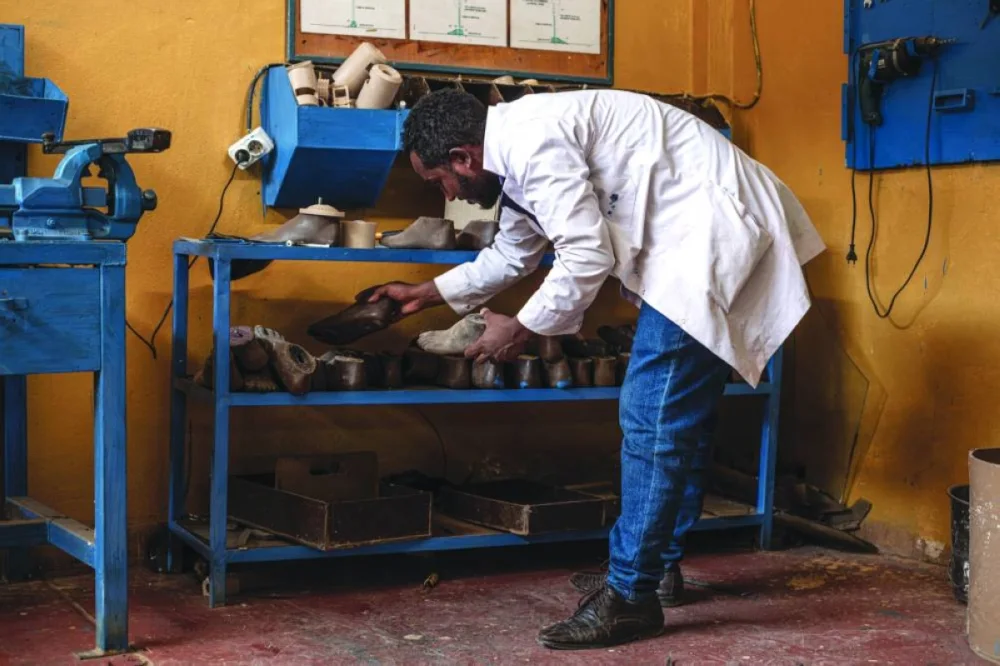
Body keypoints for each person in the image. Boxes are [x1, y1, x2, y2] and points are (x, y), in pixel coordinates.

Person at [364, 88, 824, 650]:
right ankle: (659, 570)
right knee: (676, 419)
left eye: (441, 181)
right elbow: (513, 254)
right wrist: (423, 294)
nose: (448, 192)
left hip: (707, 237)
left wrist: (523, 326)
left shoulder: (532, 143)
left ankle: (632, 596)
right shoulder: (513, 159)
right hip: (689, 240)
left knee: (652, 418)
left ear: (465, 157)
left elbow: (585, 255)